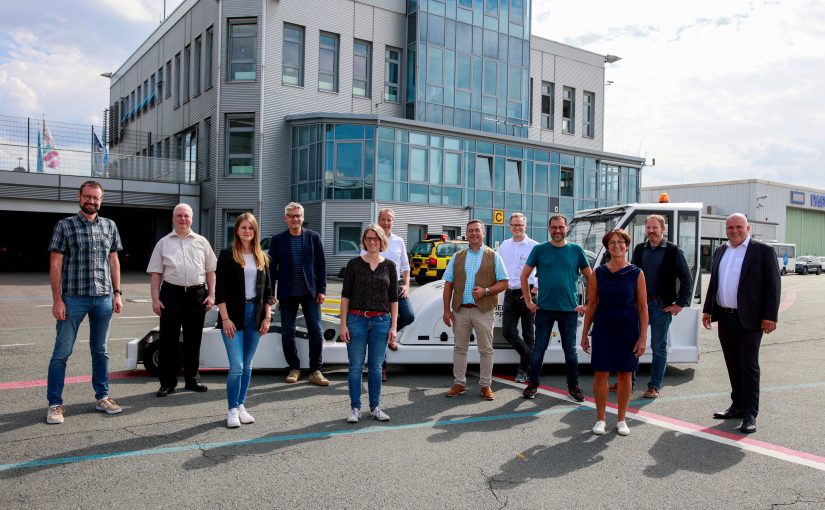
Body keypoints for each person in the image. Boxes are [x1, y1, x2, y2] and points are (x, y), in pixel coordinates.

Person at [46, 181, 124, 424]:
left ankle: (103, 396)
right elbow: (55, 265)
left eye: (96, 198)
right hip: (73, 299)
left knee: (100, 350)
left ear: (101, 200)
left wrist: (118, 293)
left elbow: (114, 261)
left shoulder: (110, 226)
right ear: (79, 197)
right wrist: (57, 300)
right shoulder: (64, 226)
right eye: (88, 197)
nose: (92, 201)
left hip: (103, 298)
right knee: (62, 352)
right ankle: (55, 404)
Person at [702, 213, 780, 434]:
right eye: (729, 227)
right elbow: (715, 282)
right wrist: (708, 309)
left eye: (738, 227)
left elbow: (772, 286)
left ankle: (749, 413)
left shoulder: (763, 251)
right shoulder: (721, 250)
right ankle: (736, 405)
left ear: (748, 228)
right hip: (725, 318)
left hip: (751, 319)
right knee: (732, 364)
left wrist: (770, 316)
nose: (734, 231)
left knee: (748, 367)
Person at [581, 229, 649, 436]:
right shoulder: (598, 273)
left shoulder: (637, 273)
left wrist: (643, 337)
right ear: (607, 246)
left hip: (627, 329)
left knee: (625, 374)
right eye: (612, 242)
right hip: (603, 328)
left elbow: (643, 306)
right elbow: (592, 304)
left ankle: (621, 419)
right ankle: (600, 419)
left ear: (627, 246)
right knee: (600, 373)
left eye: (620, 242)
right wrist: (585, 333)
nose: (616, 245)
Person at [148, 203, 217, 397]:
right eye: (179, 215)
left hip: (197, 295)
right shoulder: (163, 243)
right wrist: (155, 299)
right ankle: (167, 383)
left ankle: (192, 380)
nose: (183, 219)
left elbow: (211, 271)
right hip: (171, 294)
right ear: (173, 218)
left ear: (191, 218)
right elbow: (155, 274)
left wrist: (211, 295)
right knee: (168, 340)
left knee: (193, 339)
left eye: (186, 215)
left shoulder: (202, 242)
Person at [521, 215, 592, 402]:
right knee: (539, 349)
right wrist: (528, 301)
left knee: (570, 350)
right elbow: (524, 275)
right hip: (544, 308)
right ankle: (533, 383)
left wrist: (587, 303)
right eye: (554, 227)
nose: (557, 231)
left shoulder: (576, 250)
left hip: (569, 310)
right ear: (549, 229)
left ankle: (573, 386)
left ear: (567, 228)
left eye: (561, 227)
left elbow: (591, 278)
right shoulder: (540, 249)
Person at [215, 213, 274, 428]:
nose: (247, 231)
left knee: (248, 365)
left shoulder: (262, 258)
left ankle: (241, 405)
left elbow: (268, 292)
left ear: (255, 231)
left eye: (251, 228)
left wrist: (267, 317)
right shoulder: (226, 255)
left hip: (255, 316)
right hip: (233, 316)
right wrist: (225, 318)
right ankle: (231, 409)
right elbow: (219, 291)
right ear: (237, 231)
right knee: (237, 366)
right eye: (243, 228)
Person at [442, 220, 509, 400]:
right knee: (459, 348)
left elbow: (504, 282)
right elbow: (448, 284)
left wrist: (486, 291)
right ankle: (459, 384)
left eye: (477, 231)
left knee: (486, 350)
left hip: (484, 310)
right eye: (470, 231)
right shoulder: (458, 256)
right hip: (461, 310)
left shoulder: (493, 256)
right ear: (467, 234)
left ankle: (485, 386)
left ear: (483, 233)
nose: (474, 234)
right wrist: (446, 310)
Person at [627, 214, 693, 398]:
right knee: (633, 343)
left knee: (658, 346)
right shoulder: (640, 249)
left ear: (663, 229)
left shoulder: (673, 251)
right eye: (648, 228)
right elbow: (632, 276)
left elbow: (686, 278)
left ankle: (654, 386)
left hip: (660, 305)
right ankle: (628, 382)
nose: (651, 231)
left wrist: (680, 303)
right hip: (639, 304)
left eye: (655, 228)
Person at [340, 224, 398, 423]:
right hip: (356, 320)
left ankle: (375, 407)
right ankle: (355, 408)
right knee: (355, 366)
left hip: (382, 321)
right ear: (364, 241)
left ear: (382, 241)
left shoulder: (389, 266)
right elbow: (345, 296)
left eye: (376, 238)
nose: (372, 242)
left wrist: (394, 326)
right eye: (368, 238)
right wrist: (343, 324)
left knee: (375, 367)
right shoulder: (354, 264)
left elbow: (394, 299)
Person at [268, 202, 329, 386]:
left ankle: (315, 370)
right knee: (288, 332)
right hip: (287, 293)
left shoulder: (313, 237)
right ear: (286, 218)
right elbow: (271, 268)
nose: (295, 219)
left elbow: (321, 266)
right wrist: (270, 293)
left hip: (310, 293)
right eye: (292, 216)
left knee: (316, 332)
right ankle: (294, 368)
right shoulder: (277, 240)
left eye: (298, 215)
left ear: (303, 217)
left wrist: (322, 290)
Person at [361, 208, 414, 382]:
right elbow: (362, 264)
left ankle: (389, 335)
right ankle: (381, 368)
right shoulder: (371, 240)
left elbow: (405, 267)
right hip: (377, 288)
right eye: (383, 219)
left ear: (393, 221)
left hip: (396, 285)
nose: (386, 223)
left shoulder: (398, 241)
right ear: (378, 220)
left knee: (408, 315)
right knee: (379, 324)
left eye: (389, 220)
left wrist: (406, 285)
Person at [497, 212, 538, 383]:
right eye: (514, 225)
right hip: (510, 293)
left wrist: (536, 289)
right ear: (509, 227)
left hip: (528, 292)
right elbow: (497, 267)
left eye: (520, 225)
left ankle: (524, 369)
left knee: (529, 333)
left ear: (525, 226)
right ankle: (532, 358)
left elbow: (542, 269)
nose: (517, 227)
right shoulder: (504, 246)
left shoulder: (534, 246)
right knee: (508, 331)